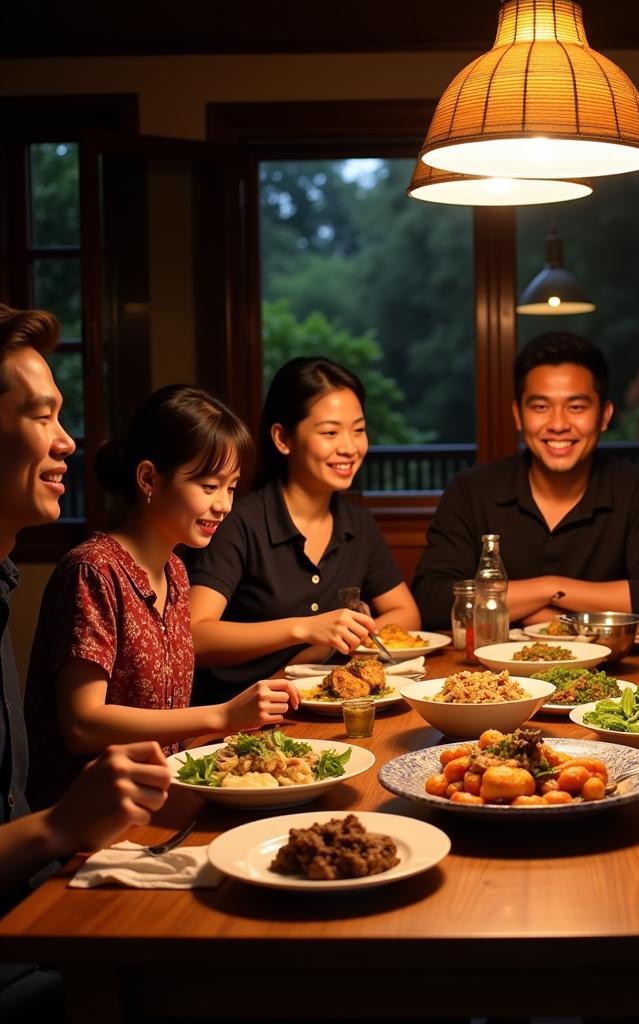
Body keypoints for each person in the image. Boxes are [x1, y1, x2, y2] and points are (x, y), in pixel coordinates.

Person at [0, 304, 171, 1019]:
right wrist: (60, 825)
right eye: (42, 417)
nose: (67, 441)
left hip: (42, 910)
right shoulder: (93, 568)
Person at [25, 386, 301, 810]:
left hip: (163, 796)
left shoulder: (174, 569)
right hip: (88, 817)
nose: (224, 505)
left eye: (231, 488)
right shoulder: (93, 571)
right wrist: (223, 716)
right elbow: (82, 723)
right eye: (209, 486)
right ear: (149, 478)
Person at [412, 332, 639, 628]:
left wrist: (550, 604)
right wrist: (547, 588)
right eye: (541, 407)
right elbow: (433, 600)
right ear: (518, 415)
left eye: (577, 407)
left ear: (605, 416)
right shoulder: (470, 490)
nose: (558, 425)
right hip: (493, 671)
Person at [189, 357, 419, 703]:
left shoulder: (357, 522)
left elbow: (407, 613)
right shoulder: (238, 520)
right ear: (283, 438)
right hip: (236, 719)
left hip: (324, 706)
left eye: (358, 430)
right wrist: (305, 630)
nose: (350, 447)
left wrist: (338, 641)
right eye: (330, 432)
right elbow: (195, 636)